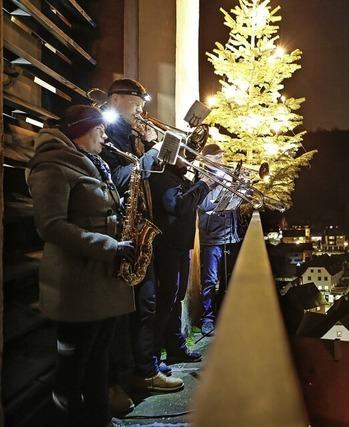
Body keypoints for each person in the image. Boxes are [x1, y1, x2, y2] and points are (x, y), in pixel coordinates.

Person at [28, 105, 136, 426]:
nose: (105, 135)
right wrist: (111, 246)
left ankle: (99, 418)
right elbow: (51, 226)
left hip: (101, 281)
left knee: (98, 359)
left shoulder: (92, 163)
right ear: (81, 131)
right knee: (75, 367)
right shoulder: (52, 165)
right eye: (100, 130)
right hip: (76, 286)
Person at [100, 79, 182, 398]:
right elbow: (121, 178)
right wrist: (150, 154)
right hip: (121, 233)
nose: (142, 110)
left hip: (140, 229)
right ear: (118, 99)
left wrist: (153, 149)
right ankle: (134, 373)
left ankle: (144, 367)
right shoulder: (108, 132)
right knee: (130, 310)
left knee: (146, 305)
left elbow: (145, 177)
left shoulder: (132, 134)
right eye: (137, 103)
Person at [149, 153, 216, 365]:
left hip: (181, 245)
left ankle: (174, 346)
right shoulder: (163, 176)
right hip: (168, 246)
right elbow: (177, 206)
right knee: (165, 300)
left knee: (175, 298)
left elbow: (190, 201)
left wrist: (205, 183)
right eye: (184, 155)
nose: (189, 159)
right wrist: (204, 184)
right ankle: (153, 355)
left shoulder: (179, 177)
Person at [197, 144, 243, 336]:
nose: (222, 161)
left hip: (230, 235)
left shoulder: (226, 176)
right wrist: (217, 185)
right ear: (207, 159)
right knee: (210, 281)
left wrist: (239, 189)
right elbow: (204, 204)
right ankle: (207, 319)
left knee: (229, 279)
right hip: (212, 237)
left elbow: (236, 202)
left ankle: (227, 315)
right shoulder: (200, 177)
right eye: (217, 158)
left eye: (223, 157)